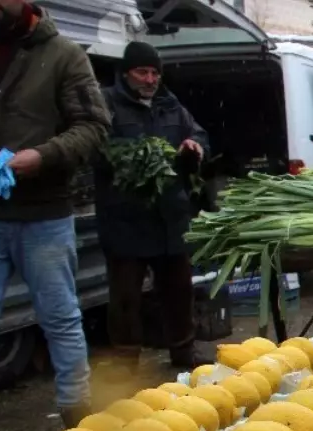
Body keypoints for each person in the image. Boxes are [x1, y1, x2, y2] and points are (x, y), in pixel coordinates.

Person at [0, 0, 109, 427]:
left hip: (43, 213)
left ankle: (76, 414)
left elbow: (94, 126)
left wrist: (41, 156)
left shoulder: (63, 54)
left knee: (59, 316)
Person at [96, 42, 210, 370]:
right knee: (125, 297)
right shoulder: (107, 104)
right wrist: (133, 158)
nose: (150, 79)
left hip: (170, 217)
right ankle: (125, 362)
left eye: (155, 72)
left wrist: (195, 147)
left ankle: (183, 353)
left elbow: (200, 135)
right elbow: (96, 148)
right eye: (142, 72)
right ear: (126, 73)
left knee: (178, 291)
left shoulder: (171, 106)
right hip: (125, 219)